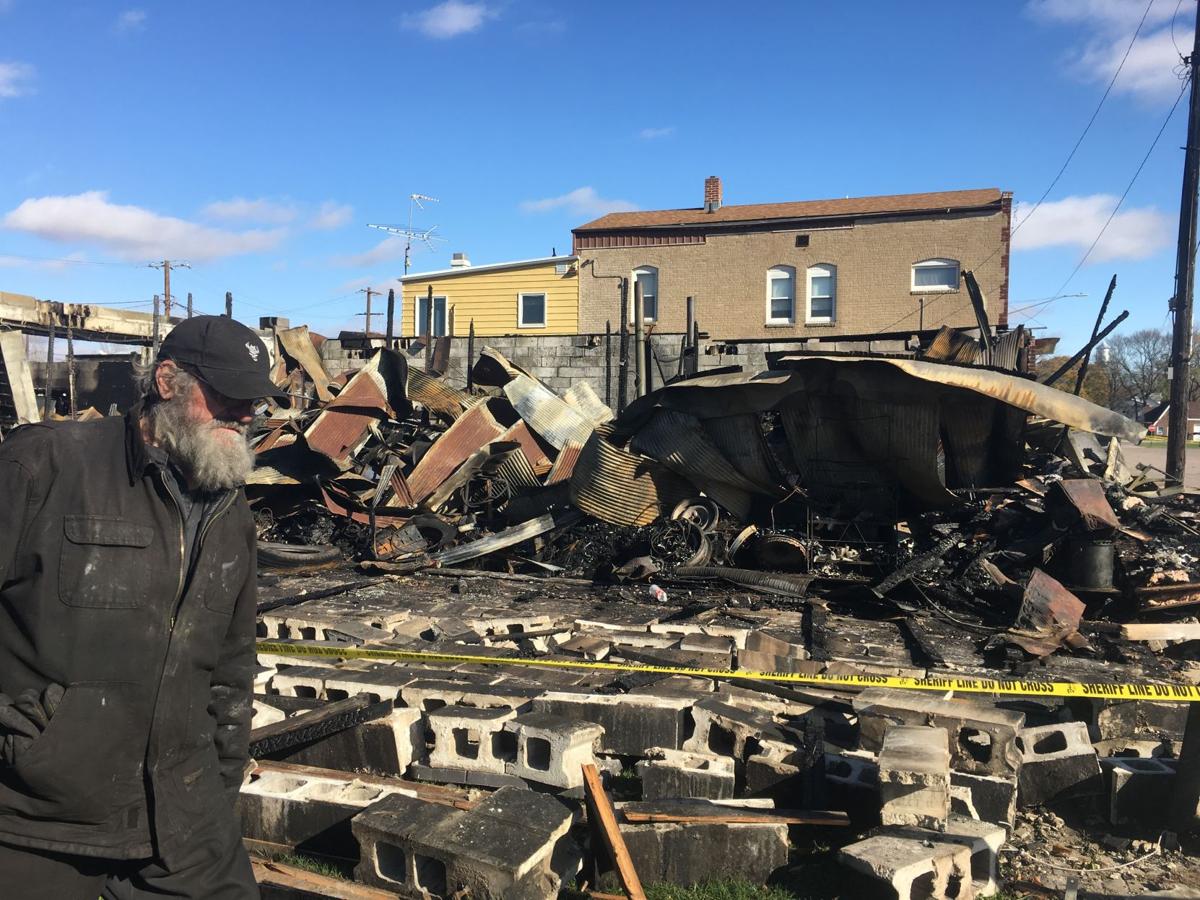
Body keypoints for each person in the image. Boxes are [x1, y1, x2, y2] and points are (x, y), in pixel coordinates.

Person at [0, 315, 286, 899]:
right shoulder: (46, 466)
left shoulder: (230, 513)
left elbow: (232, 664)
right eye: (228, 396)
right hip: (40, 815)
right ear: (166, 381)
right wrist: (18, 739)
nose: (246, 414)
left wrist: (221, 778)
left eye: (253, 401)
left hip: (186, 817)